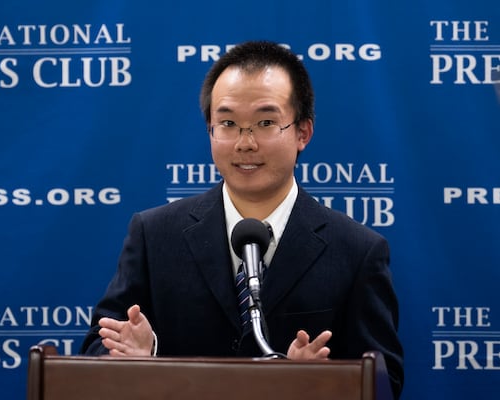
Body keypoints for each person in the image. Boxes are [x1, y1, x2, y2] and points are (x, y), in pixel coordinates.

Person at [80, 40, 404, 398]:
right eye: (228, 123)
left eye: (266, 122)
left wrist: (325, 381)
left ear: (303, 133)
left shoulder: (357, 250)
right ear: (210, 131)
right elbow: (97, 345)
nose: (244, 143)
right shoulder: (155, 234)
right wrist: (140, 355)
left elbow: (385, 381)